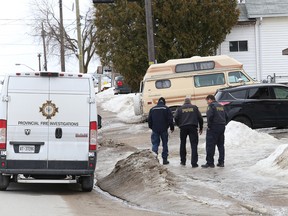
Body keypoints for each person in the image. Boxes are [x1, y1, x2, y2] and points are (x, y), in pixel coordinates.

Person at [174, 98, 203, 168]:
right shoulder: (195, 108)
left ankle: (183, 161)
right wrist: (201, 127)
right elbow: (200, 118)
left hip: (183, 127)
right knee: (194, 145)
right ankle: (194, 163)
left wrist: (179, 125)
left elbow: (175, 117)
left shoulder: (180, 109)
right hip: (193, 127)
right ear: (190, 102)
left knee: (183, 144)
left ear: (184, 102)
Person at [202, 94, 227, 168]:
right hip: (222, 126)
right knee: (221, 145)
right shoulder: (221, 106)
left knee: (210, 145)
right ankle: (221, 162)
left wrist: (209, 126)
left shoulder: (211, 106)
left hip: (214, 127)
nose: (207, 103)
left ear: (210, 99)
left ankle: (210, 163)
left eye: (207, 101)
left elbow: (210, 116)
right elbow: (227, 116)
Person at [148, 97, 174, 165]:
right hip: (164, 129)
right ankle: (165, 160)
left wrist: (152, 127)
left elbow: (149, 120)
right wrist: (171, 127)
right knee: (165, 144)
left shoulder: (152, 109)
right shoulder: (166, 108)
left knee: (155, 144)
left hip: (155, 129)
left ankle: (154, 159)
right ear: (164, 102)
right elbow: (170, 119)